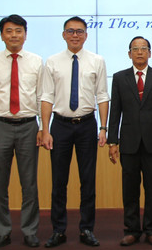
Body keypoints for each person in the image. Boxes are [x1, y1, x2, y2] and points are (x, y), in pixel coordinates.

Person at [40, 16, 109, 248]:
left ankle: (86, 229)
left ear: (86, 35)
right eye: (70, 31)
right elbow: (47, 96)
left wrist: (103, 127)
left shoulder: (97, 60)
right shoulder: (52, 61)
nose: (75, 35)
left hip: (87, 125)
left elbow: (102, 95)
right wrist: (45, 129)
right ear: (63, 35)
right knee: (59, 181)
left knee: (87, 180)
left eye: (79, 31)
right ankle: (58, 230)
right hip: (60, 126)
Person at [0, 14, 44, 248]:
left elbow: (41, 96)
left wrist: (43, 127)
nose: (14, 35)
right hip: (1, 126)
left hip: (29, 126)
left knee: (29, 183)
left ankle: (30, 231)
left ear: (25, 35)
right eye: (9, 31)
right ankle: (2, 231)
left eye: (18, 31)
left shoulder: (36, 61)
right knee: (0, 183)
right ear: (1, 35)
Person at [107, 36, 152, 247]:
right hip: (129, 143)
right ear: (129, 54)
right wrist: (112, 142)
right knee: (130, 189)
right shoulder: (119, 78)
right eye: (135, 49)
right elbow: (115, 112)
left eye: (143, 48)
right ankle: (132, 230)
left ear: (149, 53)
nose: (139, 52)